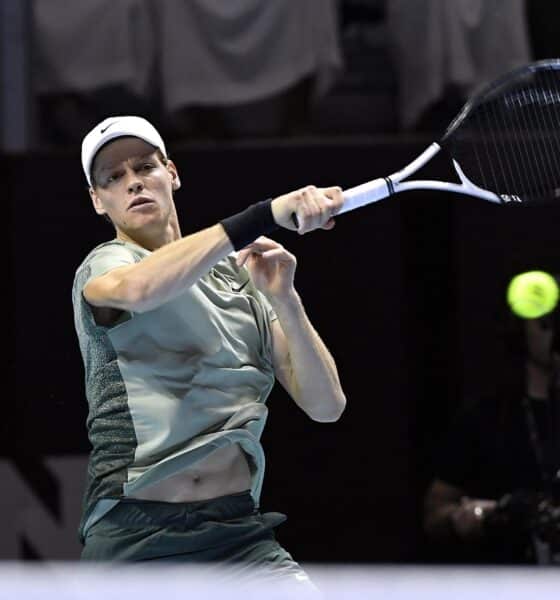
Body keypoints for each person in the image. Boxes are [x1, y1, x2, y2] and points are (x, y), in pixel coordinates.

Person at [71, 115, 346, 586]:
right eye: (113, 178)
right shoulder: (108, 265)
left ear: (172, 173)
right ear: (98, 201)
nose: (133, 182)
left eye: (144, 167)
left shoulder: (243, 280)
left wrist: (284, 297)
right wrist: (264, 215)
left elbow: (326, 406)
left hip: (239, 540)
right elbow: (141, 290)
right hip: (136, 540)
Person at [423, 311, 560, 565]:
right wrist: (487, 515)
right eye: (545, 322)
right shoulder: (487, 416)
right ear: (521, 331)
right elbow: (436, 514)